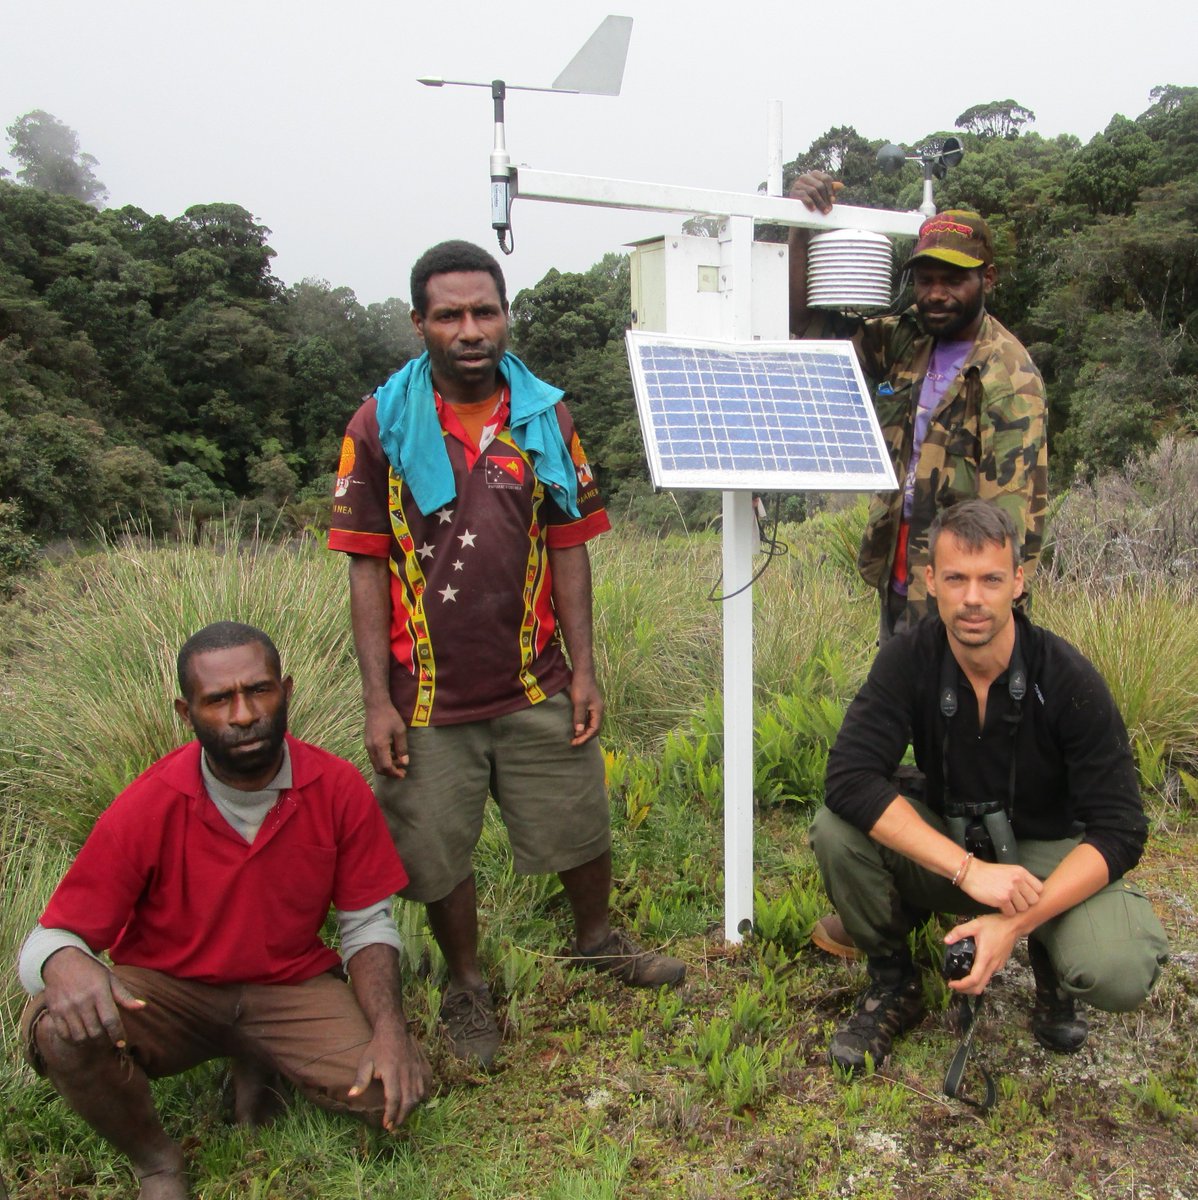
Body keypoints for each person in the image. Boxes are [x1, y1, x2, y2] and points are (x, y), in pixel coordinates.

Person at [328, 240, 684, 1069]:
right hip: (426, 694)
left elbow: (568, 545)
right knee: (438, 844)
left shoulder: (544, 416)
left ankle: (595, 936)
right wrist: (377, 700)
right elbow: (364, 565)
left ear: (505, 314)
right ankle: (465, 984)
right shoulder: (379, 424)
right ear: (419, 323)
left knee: (576, 812)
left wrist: (586, 669)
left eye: (484, 311)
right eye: (448, 314)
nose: (469, 329)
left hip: (534, 677)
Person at [16, 622, 431, 1199]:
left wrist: (392, 1032)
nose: (243, 715)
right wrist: (64, 961)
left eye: (258, 690)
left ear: (285, 690)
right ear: (186, 713)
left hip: (288, 987)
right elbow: (47, 938)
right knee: (60, 1029)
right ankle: (158, 1162)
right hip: (167, 992)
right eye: (219, 700)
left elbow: (366, 924)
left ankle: (258, 1057)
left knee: (395, 1094)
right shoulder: (149, 802)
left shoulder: (336, 786)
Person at [810, 500, 1169, 1074]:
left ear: (1018, 582)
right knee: (836, 831)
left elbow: (1121, 828)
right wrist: (969, 871)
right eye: (956, 578)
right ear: (932, 582)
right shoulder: (908, 659)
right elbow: (848, 778)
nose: (972, 598)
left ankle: (1054, 959)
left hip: (1047, 859)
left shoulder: (1067, 676)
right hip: (956, 849)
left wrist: (1016, 924)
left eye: (990, 579)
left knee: (1118, 969)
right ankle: (893, 981)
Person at [788, 176, 1048, 643]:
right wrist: (799, 226)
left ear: (986, 278)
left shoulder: (1009, 377)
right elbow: (807, 325)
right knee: (898, 710)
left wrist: (984, 627)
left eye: (953, 280)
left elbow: (1008, 526)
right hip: (900, 575)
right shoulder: (908, 338)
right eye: (926, 280)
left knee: (953, 714)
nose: (935, 294)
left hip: (959, 601)